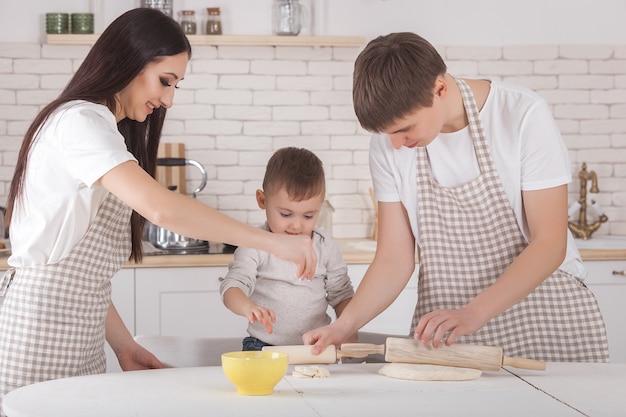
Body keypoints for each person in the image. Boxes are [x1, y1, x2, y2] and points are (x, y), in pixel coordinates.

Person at [0, 8, 316, 411]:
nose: (167, 99)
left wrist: (125, 346)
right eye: (165, 81)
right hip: (36, 336)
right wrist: (273, 243)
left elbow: (82, 277)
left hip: (80, 337)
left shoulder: (104, 131)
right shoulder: (80, 121)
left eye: (176, 86)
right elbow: (162, 210)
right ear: (128, 61)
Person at [303, 32, 609, 362]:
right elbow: (394, 257)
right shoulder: (388, 145)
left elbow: (549, 243)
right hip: (449, 331)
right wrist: (343, 326)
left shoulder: (521, 116)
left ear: (440, 89)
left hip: (547, 316)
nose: (395, 144)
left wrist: (473, 313)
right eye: (388, 133)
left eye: (405, 128)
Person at [220, 147, 355, 350]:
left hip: (317, 346)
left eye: (309, 216)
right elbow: (231, 288)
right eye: (285, 214)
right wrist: (249, 307)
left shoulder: (325, 245)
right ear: (262, 200)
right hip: (263, 346)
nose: (297, 225)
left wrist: (349, 332)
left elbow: (342, 294)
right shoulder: (255, 244)